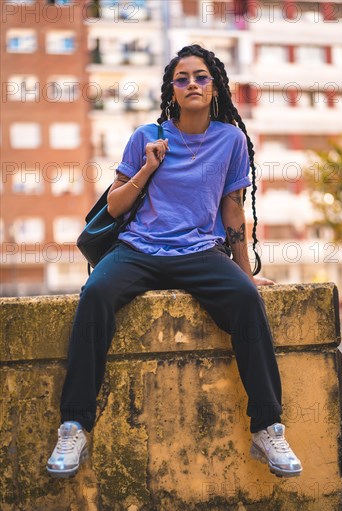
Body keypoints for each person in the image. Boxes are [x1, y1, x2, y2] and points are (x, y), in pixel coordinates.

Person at [47, 45, 302, 479]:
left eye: (200, 77)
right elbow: (113, 206)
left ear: (216, 86)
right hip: (139, 249)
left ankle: (267, 426)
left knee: (246, 301)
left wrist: (245, 273)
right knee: (95, 294)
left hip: (201, 252)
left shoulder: (232, 140)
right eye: (182, 79)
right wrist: (147, 168)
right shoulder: (146, 135)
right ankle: (74, 425)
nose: (192, 85)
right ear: (172, 90)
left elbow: (233, 211)